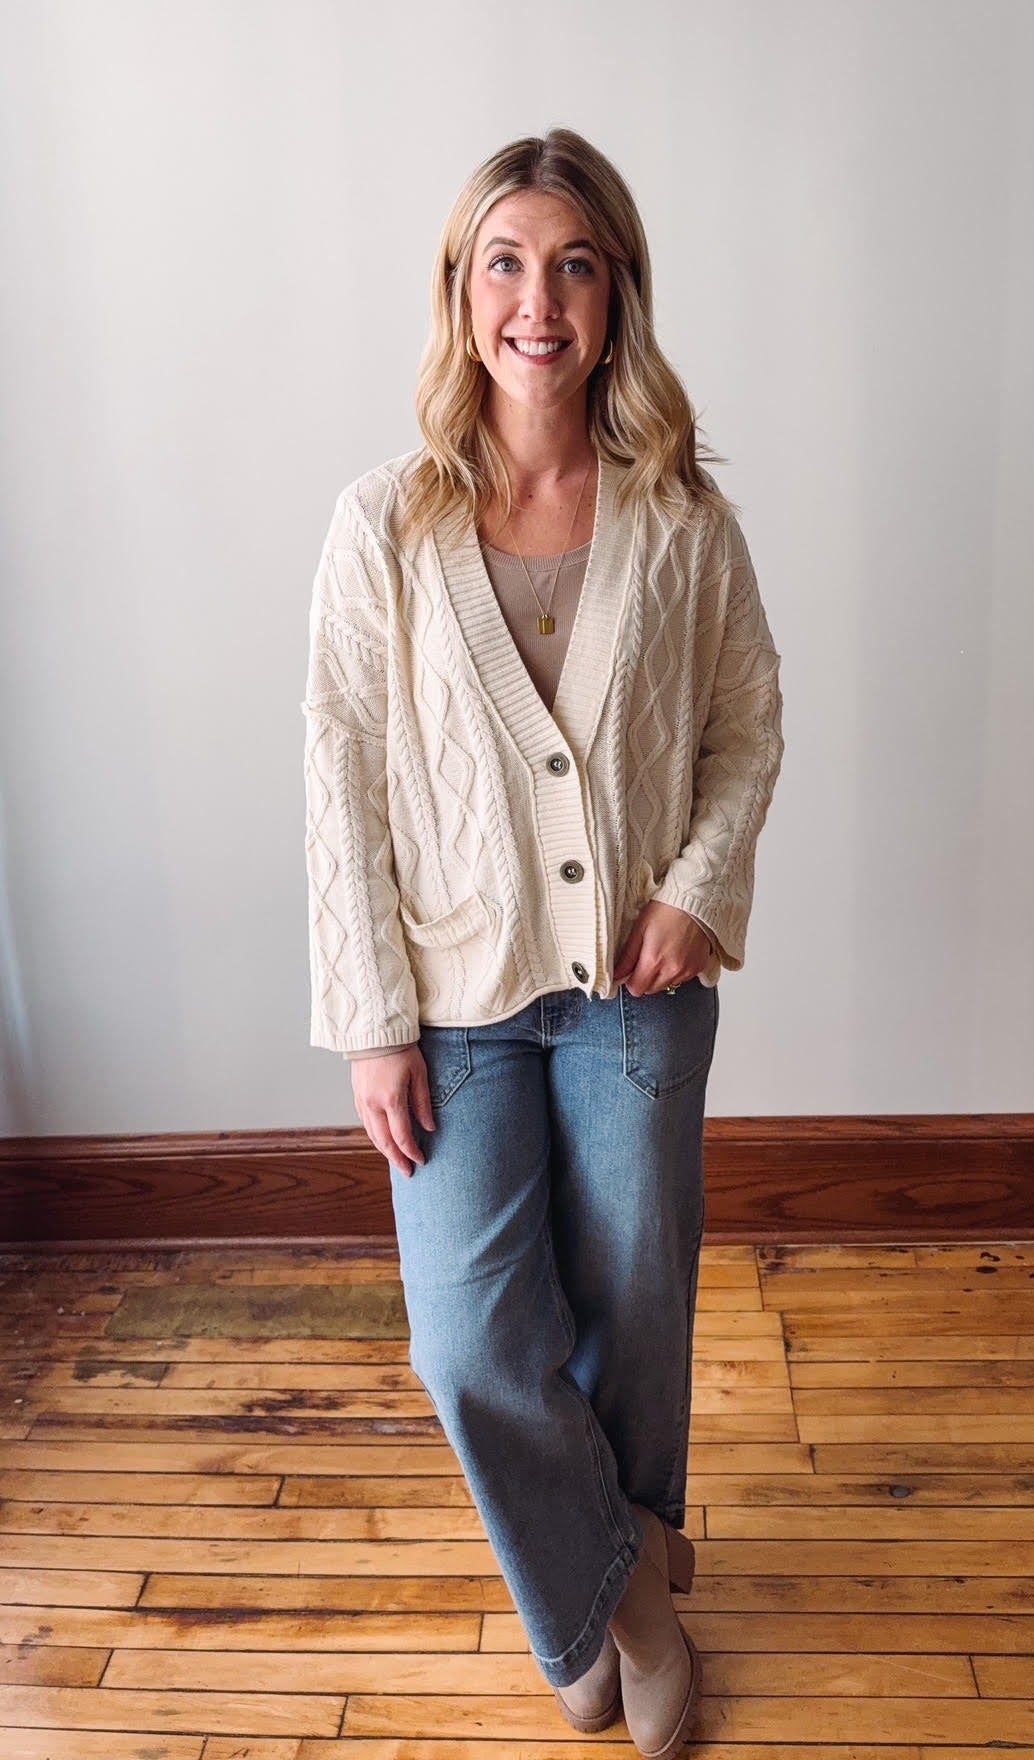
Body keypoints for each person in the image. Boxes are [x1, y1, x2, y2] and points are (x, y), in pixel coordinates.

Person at [301, 126, 783, 1759]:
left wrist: (698, 889)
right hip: (450, 993)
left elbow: (746, 725)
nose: (539, 298)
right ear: (461, 291)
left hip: (640, 985)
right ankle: (627, 1587)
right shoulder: (384, 523)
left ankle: (604, 1571)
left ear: (615, 295)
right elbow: (340, 771)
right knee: (468, 1333)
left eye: (575, 262)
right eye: (506, 261)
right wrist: (372, 1014)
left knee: (634, 1294)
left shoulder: (682, 516)